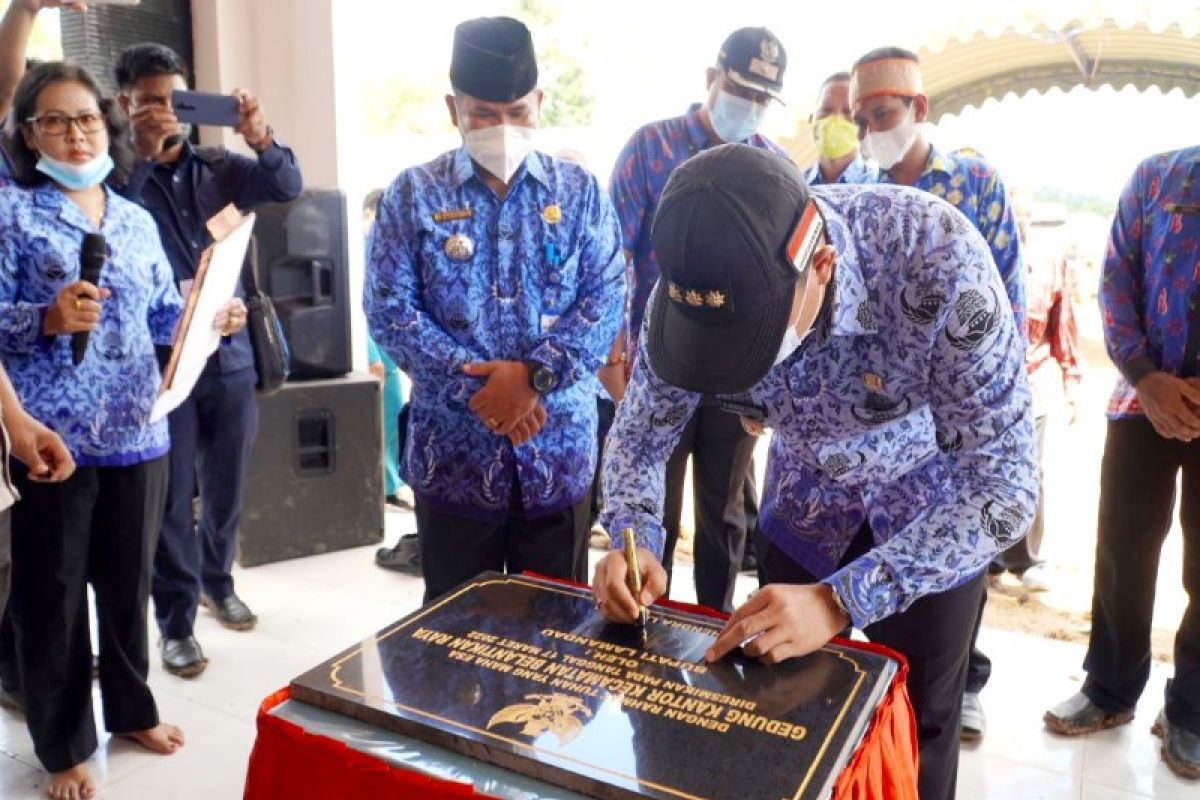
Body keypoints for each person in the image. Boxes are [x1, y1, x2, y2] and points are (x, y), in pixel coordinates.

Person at [593, 145, 1036, 800]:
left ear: (821, 266)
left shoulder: (939, 262)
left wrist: (839, 600)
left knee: (916, 722)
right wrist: (633, 538)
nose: (737, 369)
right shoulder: (698, 281)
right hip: (805, 510)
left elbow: (1004, 487)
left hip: (930, 516)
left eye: (753, 344)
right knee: (781, 714)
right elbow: (639, 434)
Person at [0, 61, 242, 800]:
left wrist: (212, 315)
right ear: (27, 132)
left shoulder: (133, 218)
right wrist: (43, 317)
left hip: (141, 433)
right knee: (55, 595)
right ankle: (64, 743)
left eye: (87, 119)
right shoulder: (10, 214)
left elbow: (162, 319)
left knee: (127, 584)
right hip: (51, 440)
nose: (75, 134)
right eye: (55, 120)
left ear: (108, 127)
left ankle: (133, 709)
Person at [364, 16, 624, 603]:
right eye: (483, 113)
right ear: (453, 108)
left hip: (558, 457)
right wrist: (484, 389)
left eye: (517, 112)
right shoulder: (413, 194)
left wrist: (534, 378)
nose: (501, 126)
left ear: (540, 102)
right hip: (453, 458)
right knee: (453, 638)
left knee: (556, 634)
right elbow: (389, 311)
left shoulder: (579, 193)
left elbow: (606, 297)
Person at [850, 46, 1026, 740]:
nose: (871, 130)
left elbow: (1005, 311)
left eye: (883, 113)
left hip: (950, 452)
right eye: (862, 118)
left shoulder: (977, 185)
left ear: (920, 108)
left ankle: (955, 694)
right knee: (870, 635)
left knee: (934, 668)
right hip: (866, 448)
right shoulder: (858, 194)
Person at [114, 42, 304, 678]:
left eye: (174, 99)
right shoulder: (116, 183)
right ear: (124, 105)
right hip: (159, 365)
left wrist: (260, 134)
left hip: (229, 355)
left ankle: (217, 582)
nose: (164, 113)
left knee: (225, 486)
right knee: (169, 500)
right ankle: (175, 622)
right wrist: (137, 160)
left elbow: (286, 183)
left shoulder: (222, 167)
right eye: (148, 102)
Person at [609, 26, 788, 613]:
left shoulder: (776, 170)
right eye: (743, 91)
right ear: (712, 79)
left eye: (764, 98)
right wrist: (615, 359)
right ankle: (645, 617)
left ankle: (714, 621)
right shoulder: (651, 148)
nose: (751, 107)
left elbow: (793, 286)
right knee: (650, 497)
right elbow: (617, 262)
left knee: (726, 507)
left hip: (742, 373)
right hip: (661, 362)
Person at [1043, 146, 1200, 780]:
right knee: (1122, 552)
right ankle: (1109, 688)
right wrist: (1147, 378)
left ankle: (1190, 712)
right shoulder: (1157, 177)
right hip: (1141, 398)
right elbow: (1116, 279)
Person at [990, 192, 1080, 590]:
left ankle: (1024, 560)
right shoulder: (985, 253)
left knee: (1028, 473)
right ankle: (987, 560)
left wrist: (1071, 381)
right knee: (984, 468)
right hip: (986, 388)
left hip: (1032, 386)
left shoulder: (1049, 264)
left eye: (1024, 217)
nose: (1019, 224)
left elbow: (1063, 323)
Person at [804, 72, 876, 186]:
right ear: (812, 118)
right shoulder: (794, 187)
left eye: (848, 112)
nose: (836, 118)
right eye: (826, 110)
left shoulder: (878, 187)